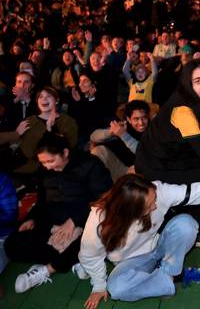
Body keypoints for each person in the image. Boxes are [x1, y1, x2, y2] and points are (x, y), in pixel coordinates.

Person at [78, 171, 200, 307]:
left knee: (186, 224)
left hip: (157, 245)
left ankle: (169, 272)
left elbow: (191, 192)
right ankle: (172, 276)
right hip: (130, 262)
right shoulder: (99, 220)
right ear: (130, 210)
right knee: (116, 289)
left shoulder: (156, 191)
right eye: (149, 205)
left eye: (155, 199)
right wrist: (99, 286)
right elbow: (90, 256)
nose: (156, 205)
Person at [134, 59, 200, 247]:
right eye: (198, 81)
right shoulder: (183, 110)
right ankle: (196, 231)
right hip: (156, 166)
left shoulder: (198, 99)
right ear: (188, 84)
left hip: (175, 155)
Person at [6, 132, 112, 293]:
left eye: (51, 161)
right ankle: (74, 259)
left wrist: (74, 221)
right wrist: (31, 218)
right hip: (51, 219)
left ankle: (47, 270)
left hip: (84, 218)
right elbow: (42, 201)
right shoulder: (44, 171)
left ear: (65, 153)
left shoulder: (90, 164)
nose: (47, 166)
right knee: (12, 245)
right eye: (43, 162)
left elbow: (104, 199)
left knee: (91, 238)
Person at [17, 87, 79, 174]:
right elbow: (29, 152)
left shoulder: (68, 121)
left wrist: (51, 130)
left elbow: (70, 146)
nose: (44, 99)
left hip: (62, 167)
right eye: (40, 97)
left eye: (48, 96)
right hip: (34, 168)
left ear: (57, 100)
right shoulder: (29, 121)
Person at [90, 100, 150, 181]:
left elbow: (145, 154)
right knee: (98, 150)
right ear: (129, 119)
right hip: (117, 165)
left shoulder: (152, 131)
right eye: (136, 119)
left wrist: (124, 136)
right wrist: (111, 132)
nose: (141, 123)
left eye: (144, 118)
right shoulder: (123, 126)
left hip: (134, 170)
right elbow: (93, 137)